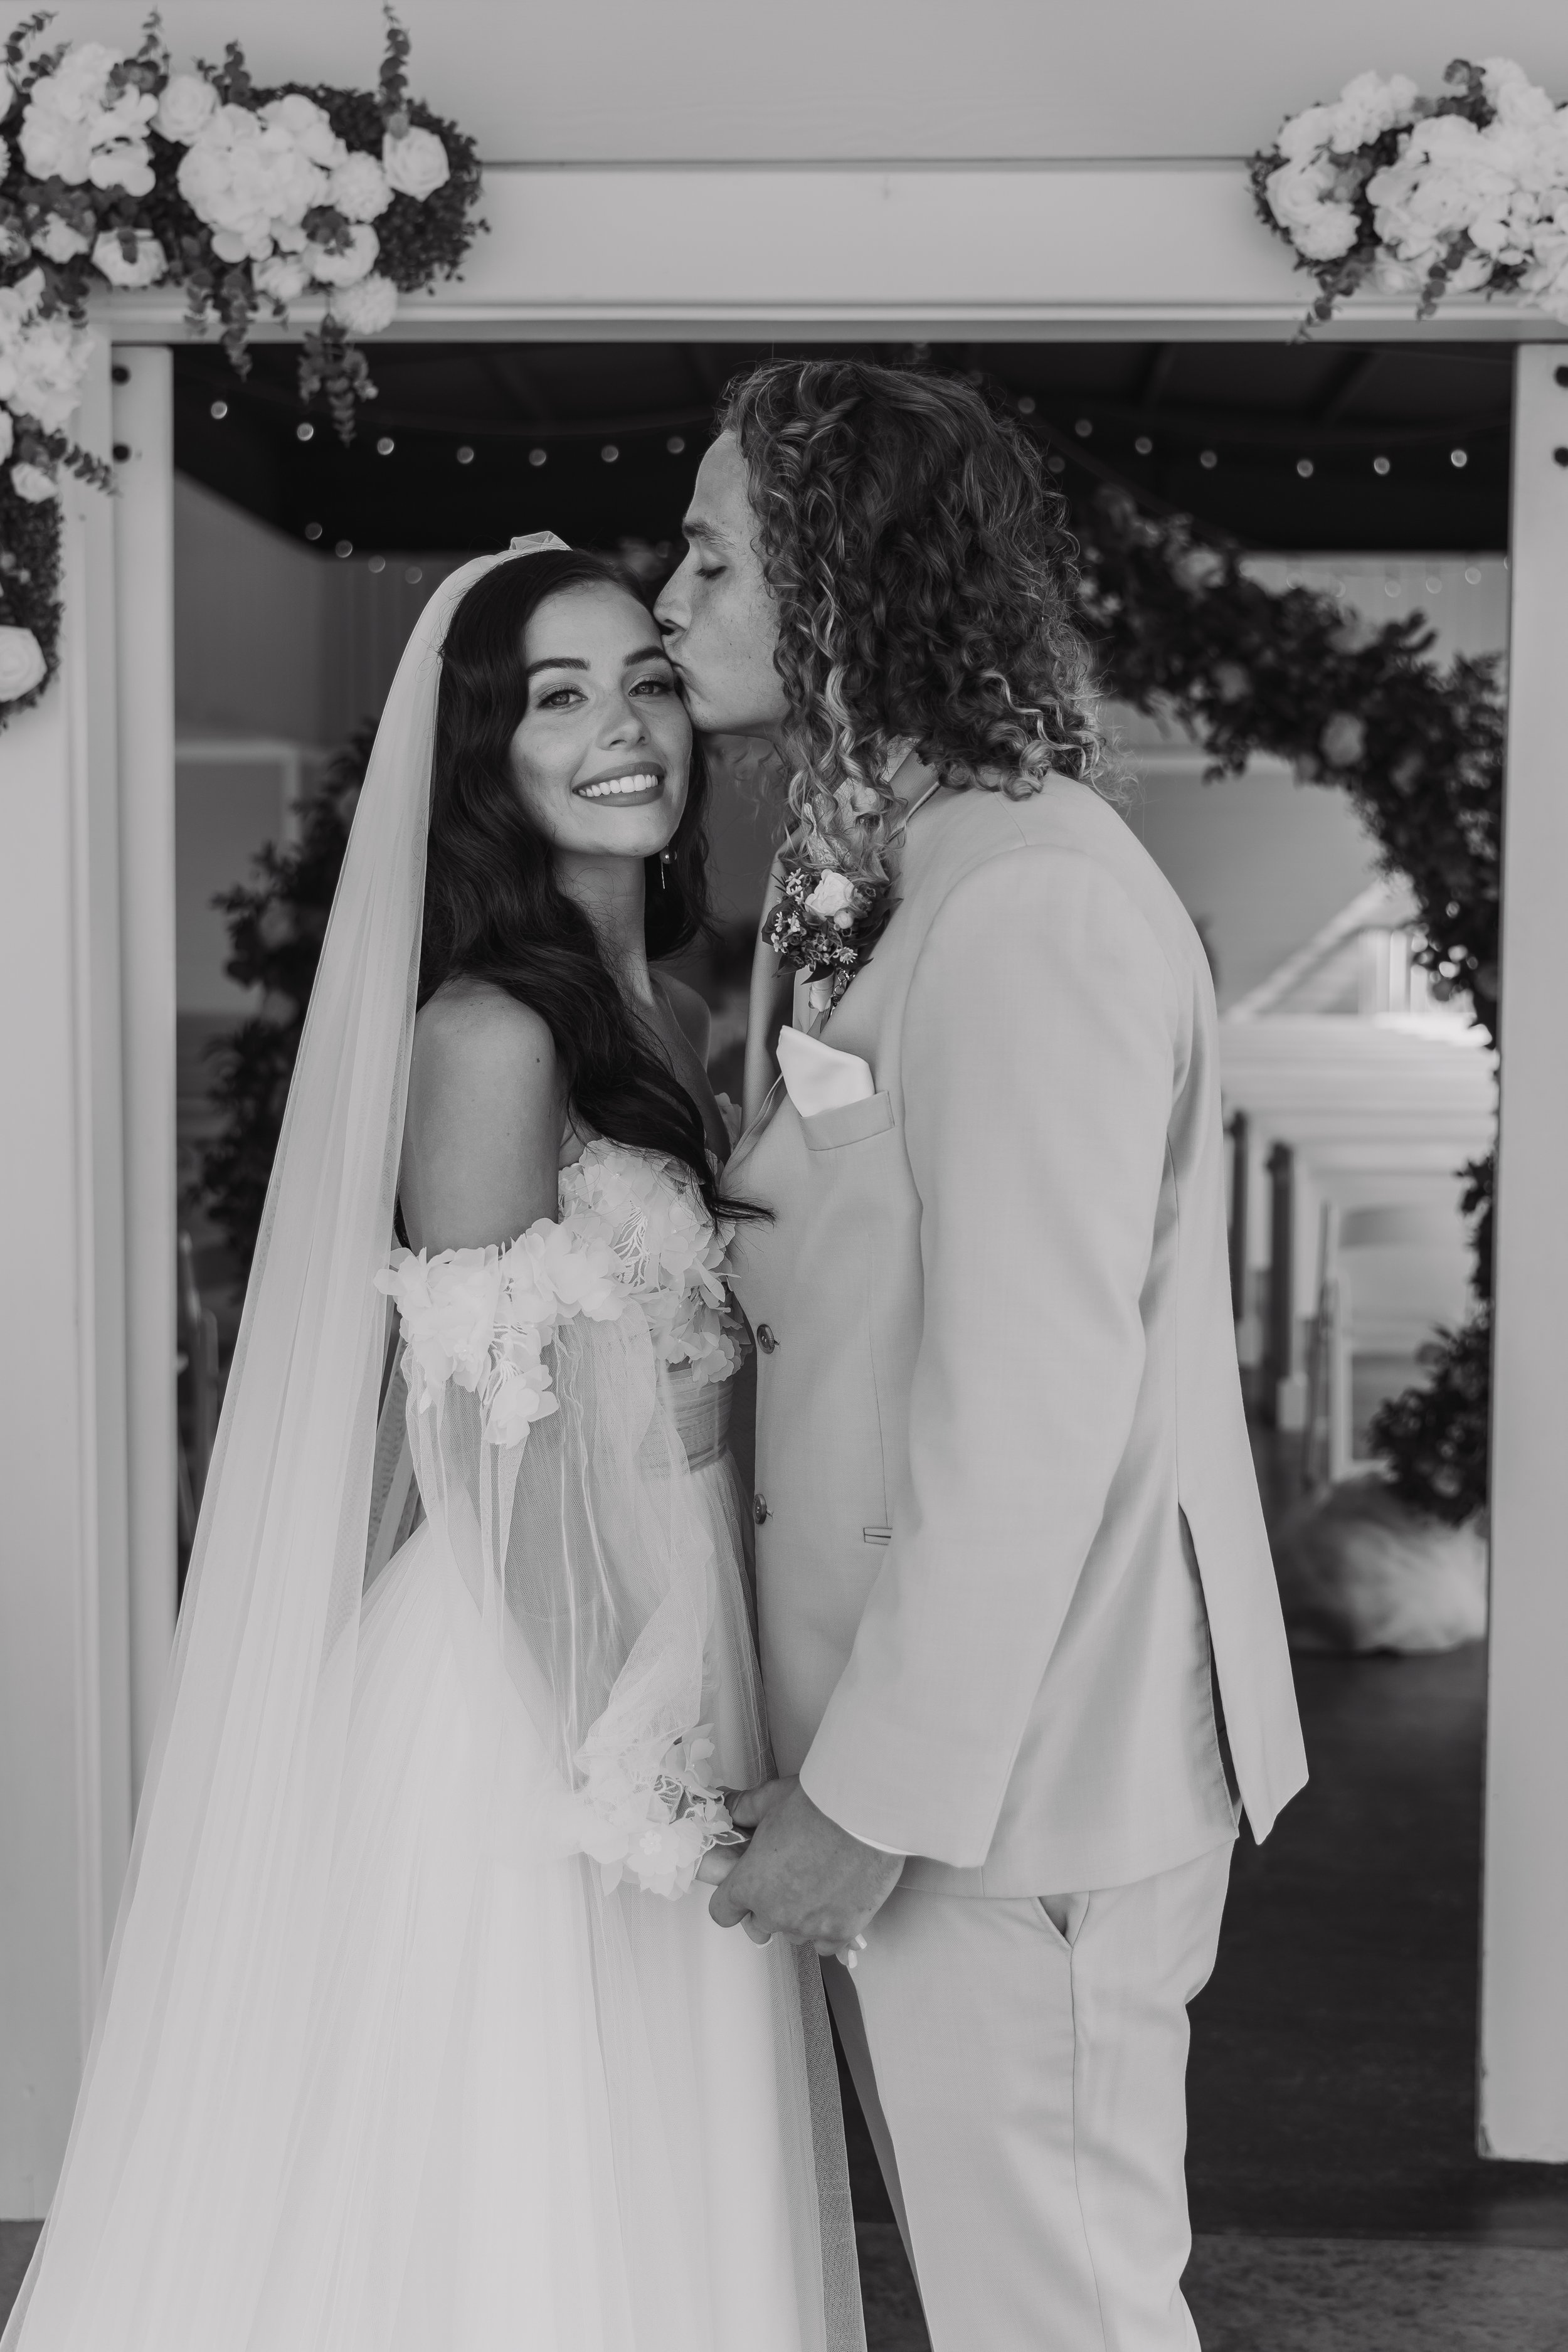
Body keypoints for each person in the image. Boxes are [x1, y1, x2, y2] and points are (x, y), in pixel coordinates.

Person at [4, 541, 864, 2352]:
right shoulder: (485, 1038)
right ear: (487, 758)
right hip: (530, 1687)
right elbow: (493, 1446)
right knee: (505, 2206)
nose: (622, 727)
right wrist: (641, 1769)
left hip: (679, 1626)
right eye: (556, 701)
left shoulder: (695, 1006)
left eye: (643, 677)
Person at [654, 361, 1309, 2351]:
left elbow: (1031, 1411)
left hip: (1022, 1785)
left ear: (841, 584)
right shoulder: (905, 871)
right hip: (929, 1769)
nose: (670, 604)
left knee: (1064, 2320)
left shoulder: (1029, 905)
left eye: (710, 559)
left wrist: (873, 1799)